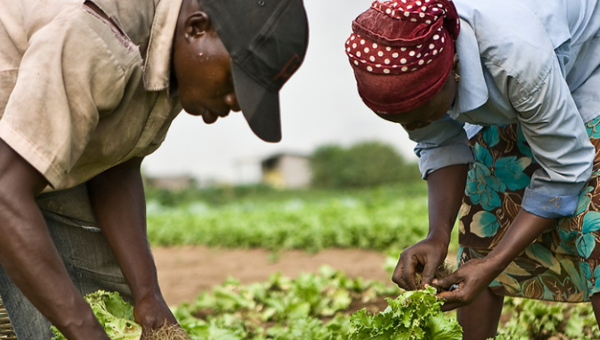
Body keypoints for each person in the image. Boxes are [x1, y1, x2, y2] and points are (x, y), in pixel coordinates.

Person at [0, 0, 309, 338]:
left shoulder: (176, 59)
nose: (237, 103)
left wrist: (149, 294)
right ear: (196, 28)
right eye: (236, 81)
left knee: (110, 302)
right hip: (11, 172)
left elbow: (115, 163)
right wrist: (83, 329)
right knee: (60, 318)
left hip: (27, 163)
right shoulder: (97, 39)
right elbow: (5, 193)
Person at [345, 0, 600, 339]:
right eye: (403, 122)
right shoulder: (409, 63)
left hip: (588, 58)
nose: (415, 126)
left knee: (593, 220)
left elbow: (565, 167)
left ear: (453, 67)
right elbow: (438, 143)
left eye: (420, 115)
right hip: (521, 80)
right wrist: (437, 235)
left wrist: (495, 265)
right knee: (484, 213)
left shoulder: (513, 55)